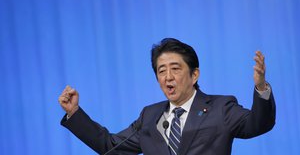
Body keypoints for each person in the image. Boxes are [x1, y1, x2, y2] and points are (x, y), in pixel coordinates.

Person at [59, 38, 276, 155]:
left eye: (175, 69)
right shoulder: (150, 117)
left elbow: (259, 124)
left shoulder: (221, 108)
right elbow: (110, 146)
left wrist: (261, 87)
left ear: (194, 74)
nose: (168, 77)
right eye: (161, 71)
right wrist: (74, 113)